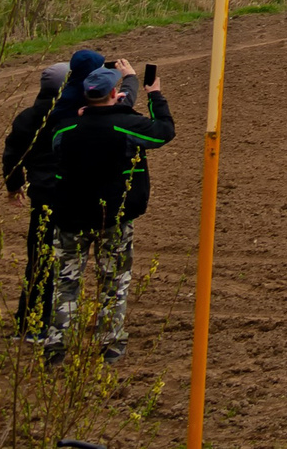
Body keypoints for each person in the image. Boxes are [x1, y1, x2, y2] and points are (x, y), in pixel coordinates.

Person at [44, 59, 173, 362]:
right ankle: (111, 344)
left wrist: (122, 96)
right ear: (113, 93)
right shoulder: (125, 125)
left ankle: (56, 346)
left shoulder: (64, 129)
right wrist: (155, 94)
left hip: (70, 218)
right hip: (113, 218)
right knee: (113, 283)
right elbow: (164, 131)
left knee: (65, 283)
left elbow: (67, 140)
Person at [0, 61, 73, 337]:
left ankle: (30, 321)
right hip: (69, 194)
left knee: (39, 259)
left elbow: (13, 153)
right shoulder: (70, 114)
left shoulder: (28, 117)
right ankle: (58, 320)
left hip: (41, 195)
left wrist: (14, 185)